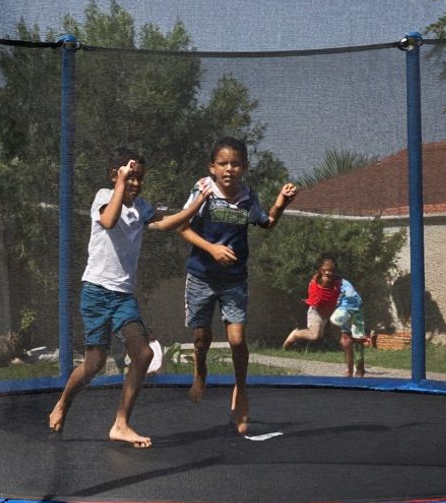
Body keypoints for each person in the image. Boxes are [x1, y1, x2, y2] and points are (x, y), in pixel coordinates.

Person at [48, 149, 213, 448]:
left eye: (139, 178)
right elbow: (110, 221)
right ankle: (63, 403)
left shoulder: (142, 208)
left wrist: (199, 202)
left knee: (144, 354)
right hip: (96, 292)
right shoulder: (103, 197)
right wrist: (121, 183)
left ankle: (121, 423)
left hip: (123, 296)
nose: (136, 183)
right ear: (115, 175)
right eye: (130, 176)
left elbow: (167, 223)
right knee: (94, 362)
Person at [180, 136, 297, 434]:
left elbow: (266, 223)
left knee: (236, 339)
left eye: (235, 163)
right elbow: (182, 227)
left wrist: (281, 202)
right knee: (201, 338)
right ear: (212, 167)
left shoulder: (246, 195)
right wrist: (212, 249)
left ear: (244, 167)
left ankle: (241, 390)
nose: (229, 169)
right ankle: (200, 368)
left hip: (233, 279)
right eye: (223, 163)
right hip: (202, 276)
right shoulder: (203, 189)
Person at [281, 253, 343, 351]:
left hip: (327, 312)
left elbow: (338, 292)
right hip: (316, 312)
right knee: (315, 335)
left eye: (331, 270)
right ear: (320, 270)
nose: (328, 273)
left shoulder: (337, 281)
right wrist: (325, 285)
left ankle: (348, 346)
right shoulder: (317, 281)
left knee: (328, 332)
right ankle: (295, 335)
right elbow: (317, 298)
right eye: (324, 270)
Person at [329, 276, 371, 377]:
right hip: (346, 310)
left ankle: (359, 370)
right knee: (348, 340)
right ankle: (353, 370)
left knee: (357, 341)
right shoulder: (327, 283)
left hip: (354, 310)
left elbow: (352, 301)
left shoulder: (343, 284)